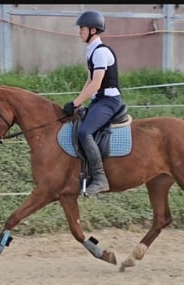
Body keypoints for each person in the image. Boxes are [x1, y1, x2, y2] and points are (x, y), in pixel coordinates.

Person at [63, 10, 122, 194]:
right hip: (99, 101)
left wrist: (75, 103)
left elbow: (96, 83)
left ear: (93, 30)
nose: (80, 31)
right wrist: (77, 102)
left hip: (109, 101)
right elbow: (89, 81)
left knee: (84, 132)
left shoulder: (101, 52)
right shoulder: (92, 51)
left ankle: (100, 178)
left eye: (82, 28)